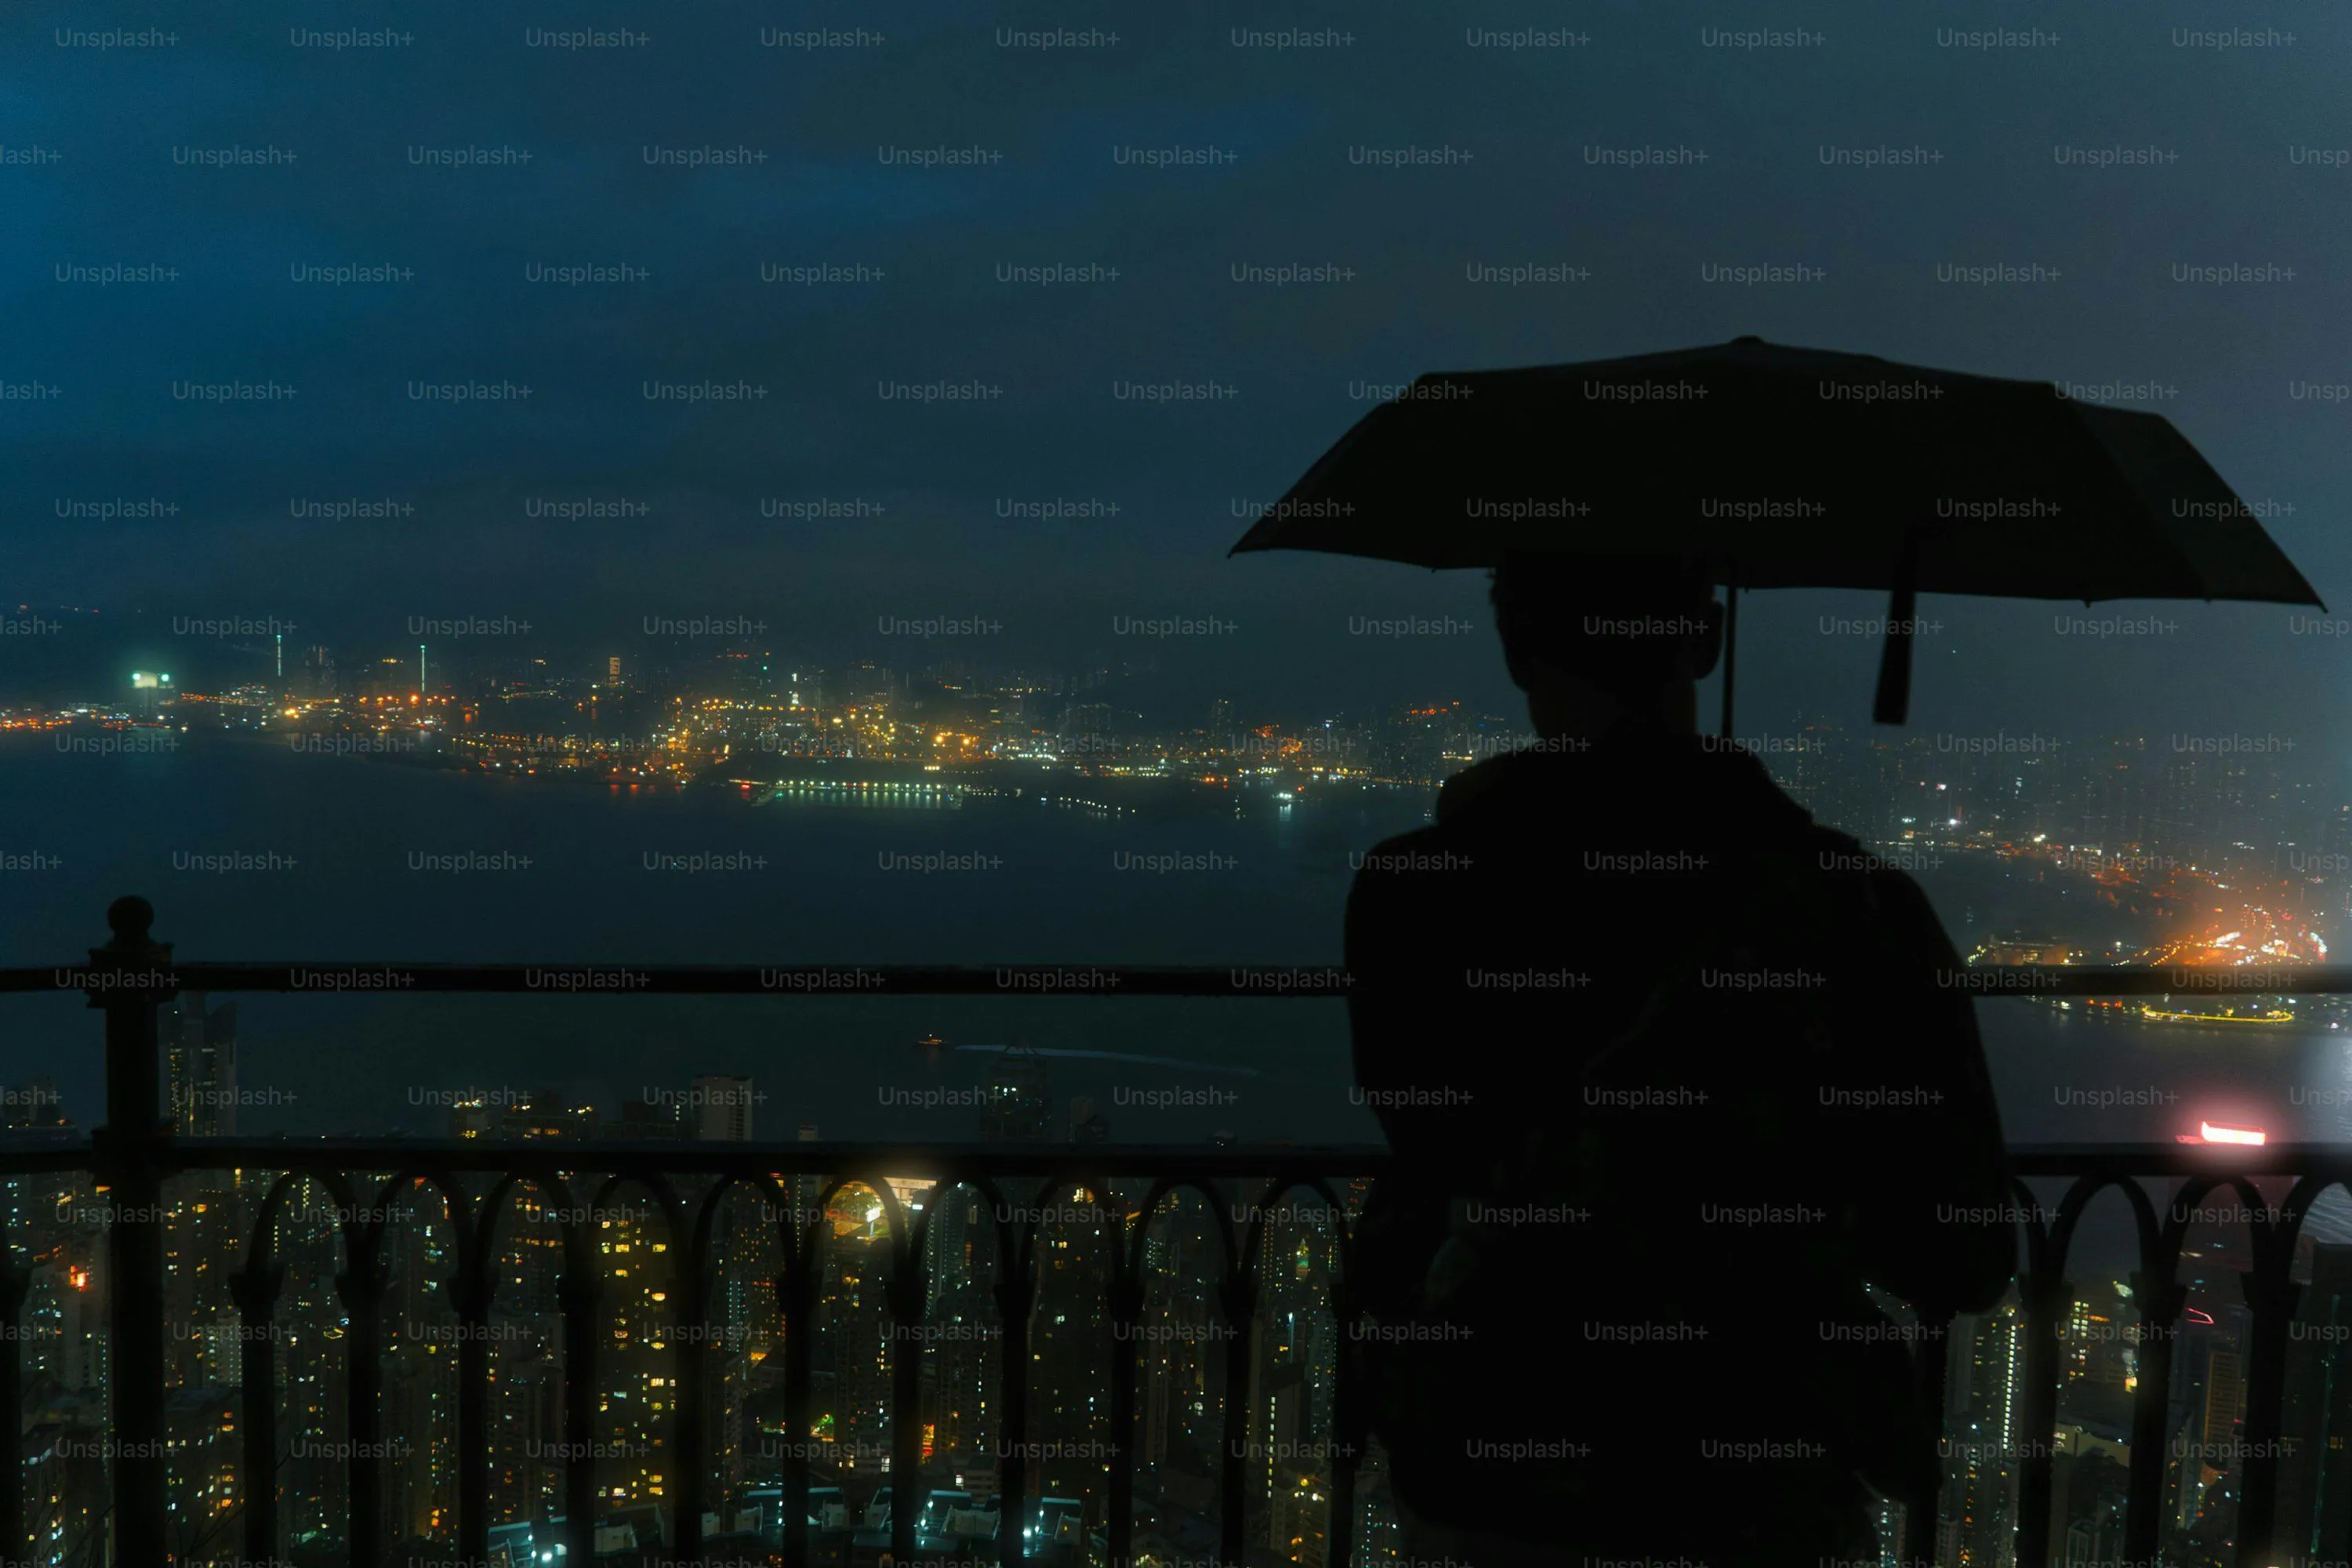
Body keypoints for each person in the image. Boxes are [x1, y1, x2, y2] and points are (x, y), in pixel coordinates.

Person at [1344, 550, 2014, 1565]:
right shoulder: (1857, 913)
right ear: (1707, 638)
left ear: (1517, 651)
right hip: (1760, 1492)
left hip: (1491, 1473)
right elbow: (1959, 1251)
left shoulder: (1414, 895)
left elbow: (1437, 1146)